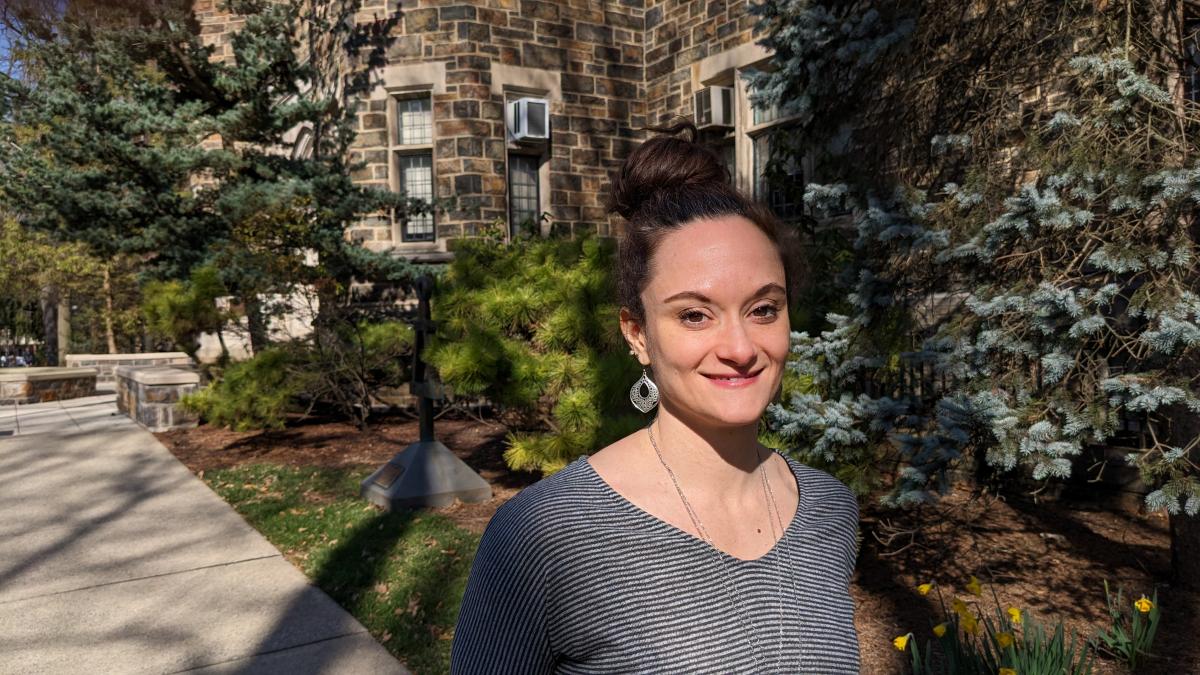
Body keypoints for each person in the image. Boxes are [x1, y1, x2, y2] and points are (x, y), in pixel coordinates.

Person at [451, 121, 860, 674]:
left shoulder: (828, 511)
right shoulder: (545, 534)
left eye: (764, 309)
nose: (740, 347)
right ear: (637, 334)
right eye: (694, 315)